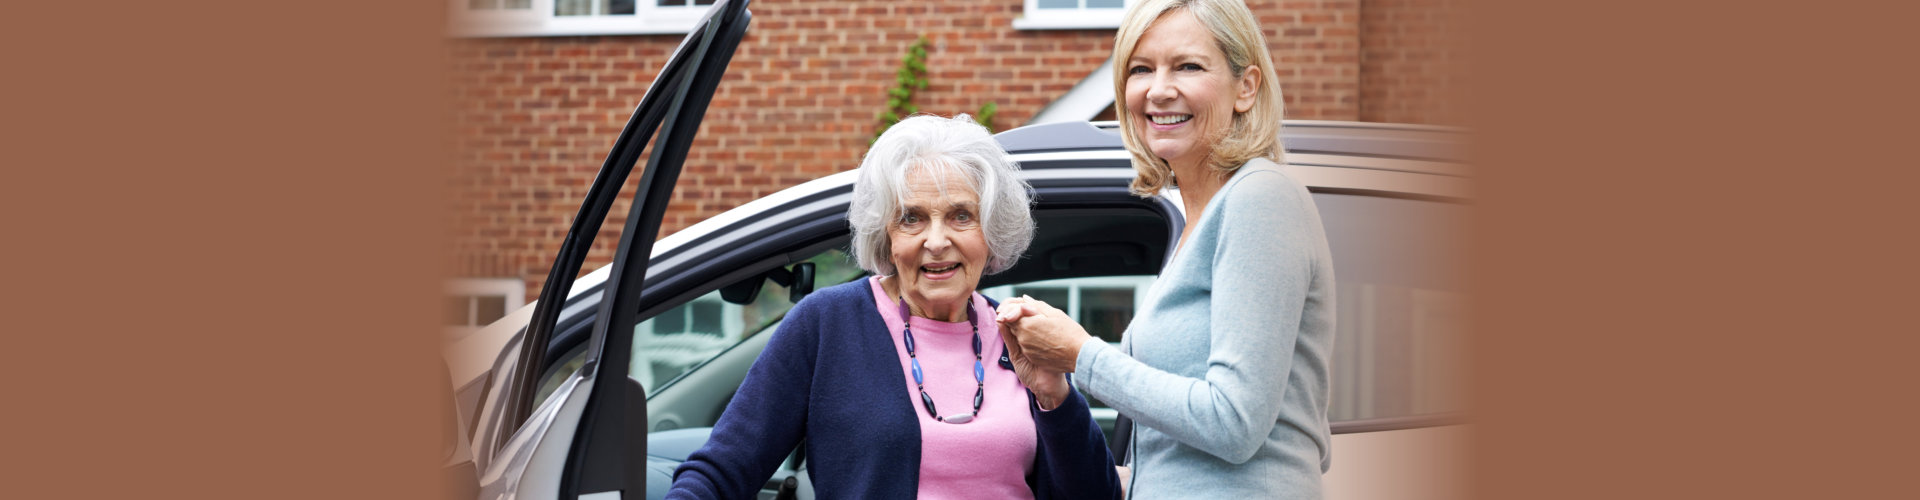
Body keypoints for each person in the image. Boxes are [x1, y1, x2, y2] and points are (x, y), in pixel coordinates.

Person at [667, 114, 1123, 499]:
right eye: (912, 218)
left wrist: (1054, 397)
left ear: (990, 231)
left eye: (961, 216)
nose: (937, 241)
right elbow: (721, 471)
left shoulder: (1019, 334)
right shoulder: (828, 324)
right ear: (886, 234)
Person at [995, 0, 1337, 497]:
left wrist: (1081, 354)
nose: (1158, 90)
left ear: (1247, 87)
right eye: (1140, 69)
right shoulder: (1196, 221)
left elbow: (1234, 423)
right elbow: (1174, 461)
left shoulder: (1261, 199)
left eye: (1187, 66)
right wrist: (1055, 393)